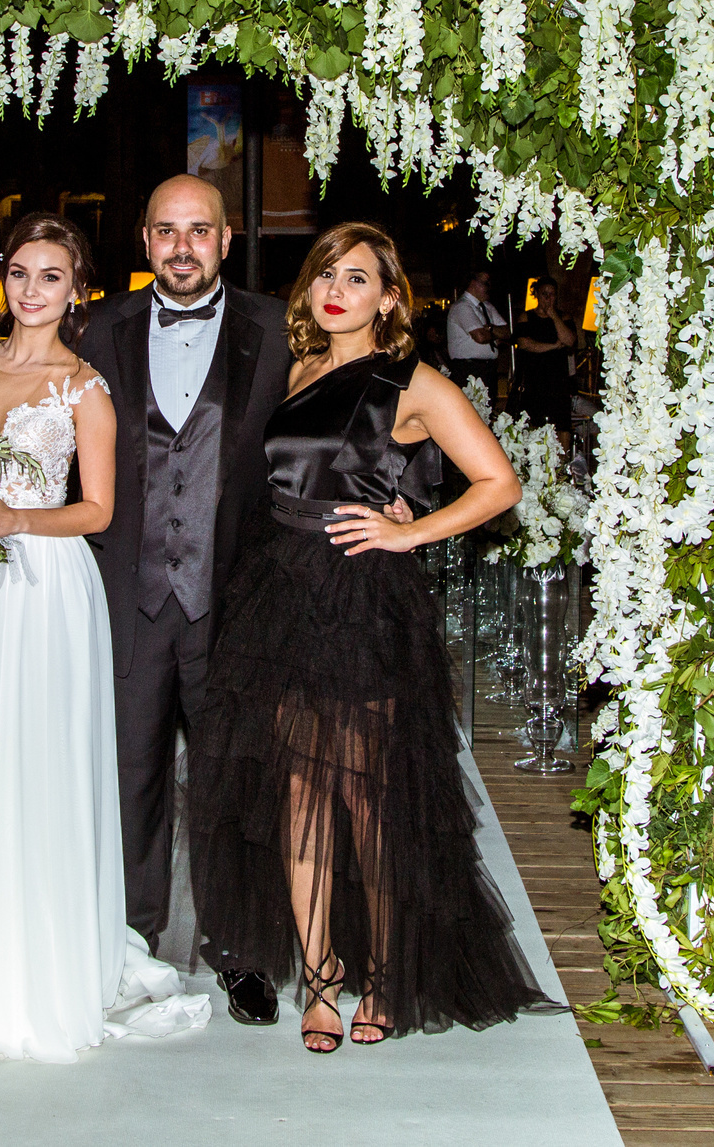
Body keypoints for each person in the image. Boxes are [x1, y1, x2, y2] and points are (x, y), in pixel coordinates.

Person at [0, 174, 301, 1027]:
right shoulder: (99, 328)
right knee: (126, 775)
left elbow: (329, 420)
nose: (182, 245)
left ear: (225, 238)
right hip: (119, 593)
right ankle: (129, 938)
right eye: (166, 230)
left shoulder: (275, 331)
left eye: (198, 230)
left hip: (233, 597)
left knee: (229, 780)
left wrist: (391, 489)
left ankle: (238, 947)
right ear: (143, 242)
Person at [190, 221, 555, 1052]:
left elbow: (499, 483)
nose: (336, 290)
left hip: (361, 595)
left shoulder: (415, 381)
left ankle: (386, 973)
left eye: (357, 278)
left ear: (391, 297)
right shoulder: (300, 367)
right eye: (326, 273)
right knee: (297, 796)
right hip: (279, 590)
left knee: (367, 796)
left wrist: (409, 533)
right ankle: (320, 978)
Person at [0, 214, 201, 1070]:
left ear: (76, 288)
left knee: (39, 763)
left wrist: (17, 516)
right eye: (21, 272)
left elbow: (97, 509)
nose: (31, 289)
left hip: (49, 587)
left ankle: (42, 966)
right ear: (4, 279)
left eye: (50, 275)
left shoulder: (86, 388)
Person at [510, 276, 580, 429]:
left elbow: (569, 340)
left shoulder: (564, 317)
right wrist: (554, 346)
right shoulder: (526, 317)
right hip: (533, 380)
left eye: (552, 294)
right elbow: (525, 344)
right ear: (537, 294)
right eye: (544, 294)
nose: (548, 298)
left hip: (557, 381)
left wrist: (554, 316)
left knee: (561, 426)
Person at [444, 268, 508, 397]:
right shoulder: (462, 307)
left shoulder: (487, 307)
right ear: (473, 283)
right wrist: (495, 333)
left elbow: (507, 332)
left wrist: (489, 328)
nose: (489, 287)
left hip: (488, 369)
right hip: (468, 370)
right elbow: (480, 337)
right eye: (485, 283)